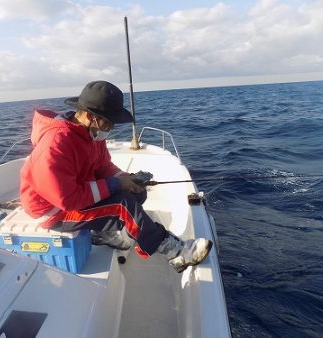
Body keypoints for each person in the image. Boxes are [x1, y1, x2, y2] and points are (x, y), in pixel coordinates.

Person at [20, 80, 212, 273]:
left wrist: (127, 179)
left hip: (76, 195)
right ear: (90, 116)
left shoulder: (90, 134)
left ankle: (105, 234)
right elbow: (68, 200)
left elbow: (103, 165)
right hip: (54, 212)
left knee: (137, 193)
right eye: (109, 122)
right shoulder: (56, 144)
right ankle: (175, 253)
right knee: (123, 206)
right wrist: (116, 185)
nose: (111, 128)